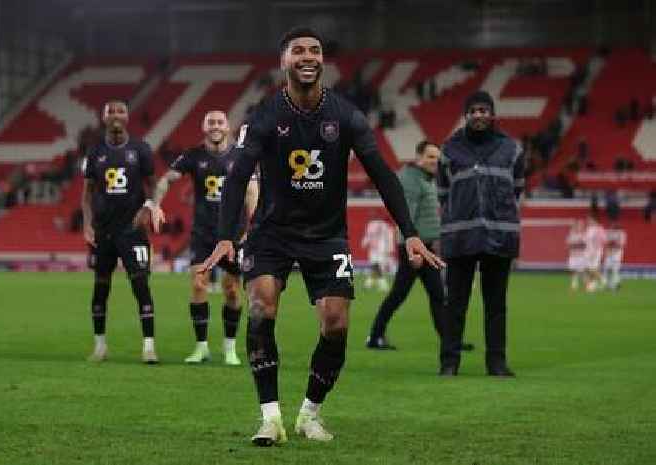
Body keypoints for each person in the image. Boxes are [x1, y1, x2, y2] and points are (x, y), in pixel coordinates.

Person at [198, 27, 443, 446]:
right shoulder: (263, 117)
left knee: (335, 324)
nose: (307, 57)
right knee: (261, 307)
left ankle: (310, 413)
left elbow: (382, 173)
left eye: (314, 51)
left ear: (323, 61)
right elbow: (238, 175)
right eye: (298, 51)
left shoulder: (347, 116)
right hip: (271, 232)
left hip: (326, 236)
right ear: (284, 61)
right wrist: (225, 235)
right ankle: (270, 418)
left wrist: (410, 232)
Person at [151, 110, 258, 365]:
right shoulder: (193, 156)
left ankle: (229, 348)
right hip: (203, 233)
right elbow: (166, 180)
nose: (215, 126)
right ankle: (201, 347)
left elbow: (252, 191)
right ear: (203, 126)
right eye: (211, 122)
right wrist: (155, 204)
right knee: (199, 285)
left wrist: (251, 226)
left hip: (233, 234)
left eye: (220, 122)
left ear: (227, 126)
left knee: (231, 290)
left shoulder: (241, 157)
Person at [437, 90, 524, 377]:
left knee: (496, 305)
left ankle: (496, 363)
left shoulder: (511, 149)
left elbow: (517, 189)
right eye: (473, 110)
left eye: (483, 110)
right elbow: (443, 193)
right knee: (455, 304)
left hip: (499, 237)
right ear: (466, 115)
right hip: (460, 237)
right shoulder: (449, 149)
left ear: (492, 114)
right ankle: (449, 363)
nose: (478, 115)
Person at [366, 141, 474, 352]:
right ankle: (375, 336)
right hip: (415, 247)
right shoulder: (412, 180)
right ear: (419, 158)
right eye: (431, 157)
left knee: (433, 294)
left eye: (437, 157)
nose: (436, 161)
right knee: (408, 294)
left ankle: (449, 341)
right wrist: (411, 249)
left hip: (423, 247)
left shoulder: (423, 178)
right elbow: (407, 215)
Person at [81, 99, 161, 364]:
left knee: (140, 285)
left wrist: (149, 207)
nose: (115, 115)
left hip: (132, 231)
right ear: (103, 117)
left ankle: (149, 347)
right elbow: (87, 194)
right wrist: (86, 223)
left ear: (127, 116)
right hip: (103, 232)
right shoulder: (94, 152)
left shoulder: (141, 149)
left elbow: (154, 185)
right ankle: (100, 346)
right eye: (110, 111)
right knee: (101, 287)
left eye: (120, 111)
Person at [361, 214, 395, 291]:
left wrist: (364, 243)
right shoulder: (386, 226)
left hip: (374, 249)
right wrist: (390, 249)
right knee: (376, 266)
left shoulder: (371, 225)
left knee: (376, 266)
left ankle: (370, 283)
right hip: (381, 249)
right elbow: (389, 237)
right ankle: (380, 284)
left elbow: (368, 236)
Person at [583, 215, 606, 293]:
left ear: (595, 220)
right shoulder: (588, 229)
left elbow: (601, 241)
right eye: (588, 220)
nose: (588, 221)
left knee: (593, 268)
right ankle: (591, 286)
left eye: (590, 220)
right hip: (588, 251)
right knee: (587, 269)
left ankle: (603, 281)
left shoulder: (599, 229)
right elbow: (587, 241)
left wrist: (595, 252)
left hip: (595, 252)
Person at [602, 221, 626, 291]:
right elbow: (606, 244)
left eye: (614, 225)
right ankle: (609, 284)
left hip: (617, 254)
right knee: (606, 269)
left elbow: (620, 245)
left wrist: (613, 252)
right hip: (609, 254)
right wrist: (606, 253)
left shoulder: (621, 234)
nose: (612, 226)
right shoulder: (608, 232)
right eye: (611, 225)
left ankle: (615, 285)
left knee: (614, 270)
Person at [566, 219, 587, 291]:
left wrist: (577, 244)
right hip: (573, 256)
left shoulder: (584, 235)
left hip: (581, 256)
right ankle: (574, 285)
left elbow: (585, 245)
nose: (579, 227)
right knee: (572, 270)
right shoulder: (571, 234)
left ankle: (586, 284)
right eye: (577, 225)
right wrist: (575, 244)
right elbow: (569, 245)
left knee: (581, 272)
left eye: (580, 226)